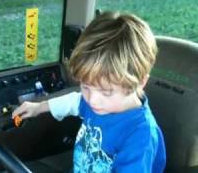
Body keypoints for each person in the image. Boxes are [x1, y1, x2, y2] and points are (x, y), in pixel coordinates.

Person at [12, 11, 166, 172]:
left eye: (106, 92)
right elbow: (75, 101)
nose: (92, 99)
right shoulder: (99, 103)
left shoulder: (140, 135)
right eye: (85, 86)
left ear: (140, 83)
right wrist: (39, 107)